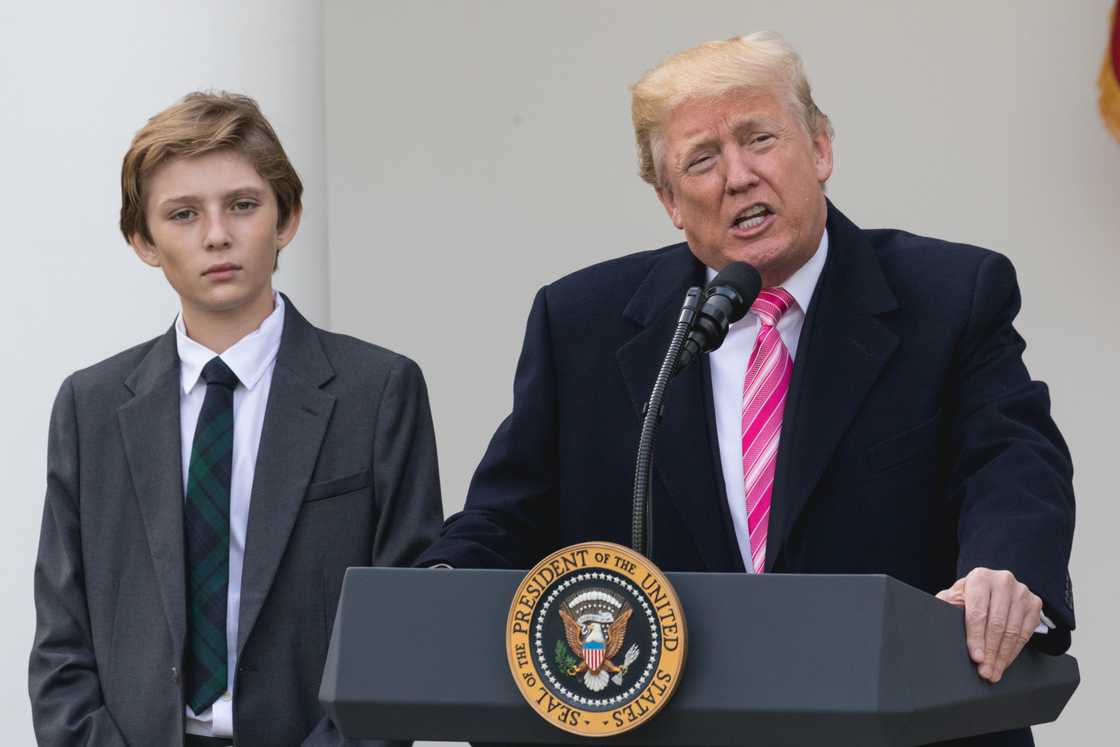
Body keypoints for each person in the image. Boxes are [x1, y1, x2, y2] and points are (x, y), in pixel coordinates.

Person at [416, 33, 1074, 747]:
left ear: (820, 148)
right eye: (702, 159)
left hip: (900, 725)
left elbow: (1013, 462)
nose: (738, 176)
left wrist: (1004, 569)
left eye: (759, 138)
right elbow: (509, 515)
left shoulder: (949, 296)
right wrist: (441, 587)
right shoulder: (583, 324)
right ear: (670, 201)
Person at [29, 91, 443, 747]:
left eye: (242, 205)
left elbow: (406, 630)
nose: (217, 234)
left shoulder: (378, 391)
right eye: (184, 214)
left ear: (287, 217)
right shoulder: (90, 407)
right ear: (143, 240)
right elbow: (62, 640)